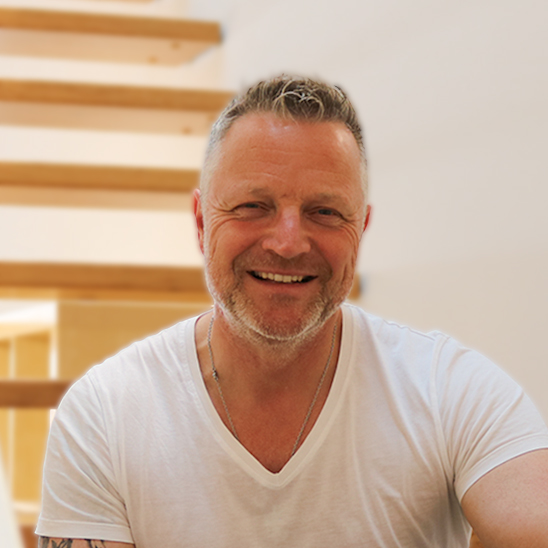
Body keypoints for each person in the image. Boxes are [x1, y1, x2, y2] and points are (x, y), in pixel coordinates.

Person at [37, 76, 548, 548]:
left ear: (361, 228)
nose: (287, 243)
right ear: (200, 221)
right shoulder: (104, 414)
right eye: (252, 206)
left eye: (325, 212)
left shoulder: (447, 389)